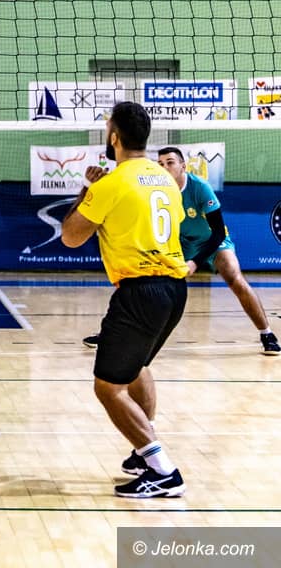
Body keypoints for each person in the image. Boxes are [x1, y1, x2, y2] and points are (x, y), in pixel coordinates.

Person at [61, 101, 189, 498]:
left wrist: (88, 190)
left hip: (140, 292)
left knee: (107, 387)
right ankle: (142, 451)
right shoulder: (165, 179)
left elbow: (71, 236)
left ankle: (162, 469)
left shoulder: (110, 184)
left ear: (114, 137)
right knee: (136, 369)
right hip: (175, 289)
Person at [82, 146, 278, 355]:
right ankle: (110, 333)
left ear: (183, 166)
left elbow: (219, 232)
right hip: (180, 243)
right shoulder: (155, 187)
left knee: (233, 275)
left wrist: (195, 262)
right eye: (161, 164)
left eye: (170, 162)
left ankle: (267, 334)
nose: (165, 167)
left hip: (212, 241)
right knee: (139, 279)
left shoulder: (199, 187)